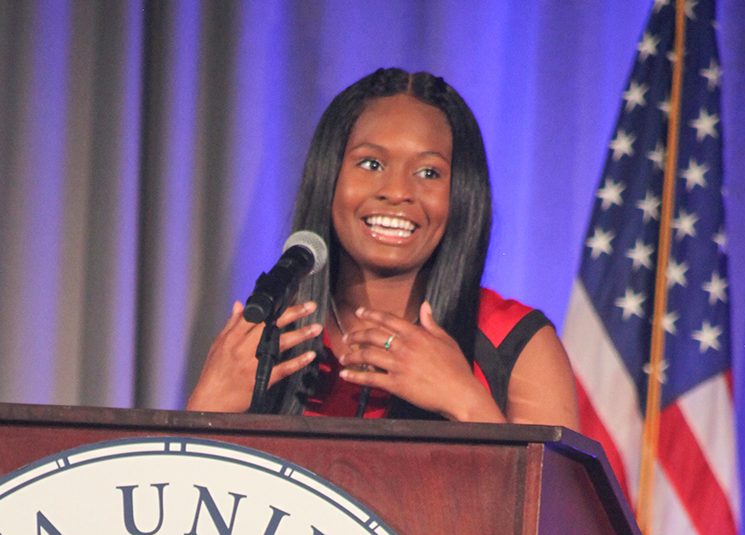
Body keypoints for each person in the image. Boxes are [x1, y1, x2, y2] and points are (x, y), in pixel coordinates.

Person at [187, 68, 579, 429]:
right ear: (330, 178)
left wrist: (466, 402)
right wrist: (208, 403)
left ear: (461, 194)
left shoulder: (515, 342)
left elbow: (554, 506)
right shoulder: (269, 342)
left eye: (429, 172)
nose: (396, 192)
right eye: (371, 164)